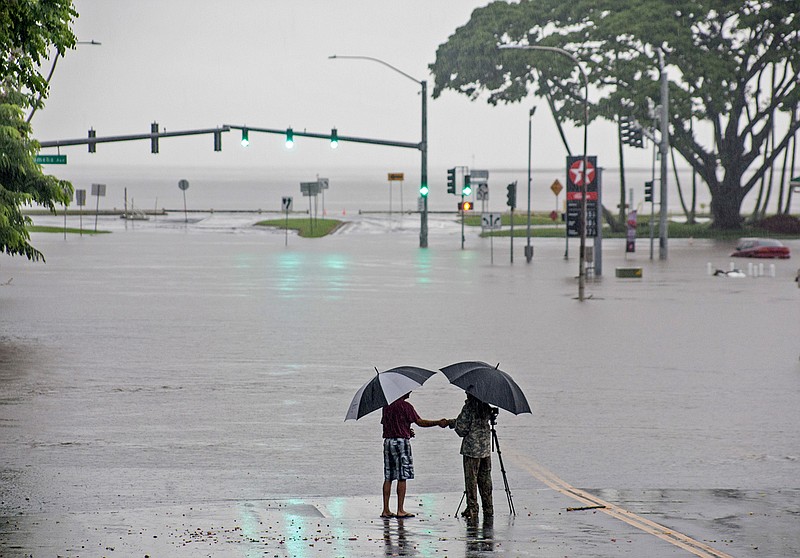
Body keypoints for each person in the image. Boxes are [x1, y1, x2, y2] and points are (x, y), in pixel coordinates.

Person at [381, 393, 447, 518]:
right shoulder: (406, 406)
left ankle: (386, 510)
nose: (410, 392)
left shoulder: (386, 406)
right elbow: (420, 422)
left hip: (388, 442)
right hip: (401, 443)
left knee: (388, 476)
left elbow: (386, 424)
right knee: (402, 476)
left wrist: (406, 428)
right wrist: (438, 422)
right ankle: (400, 510)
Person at [447, 393, 495, 520]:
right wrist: (452, 422)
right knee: (486, 480)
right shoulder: (486, 406)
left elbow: (461, 429)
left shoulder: (469, 407)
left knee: (471, 480)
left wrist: (452, 424)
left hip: (471, 450)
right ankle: (488, 508)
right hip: (485, 449)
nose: (465, 393)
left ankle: (472, 509)